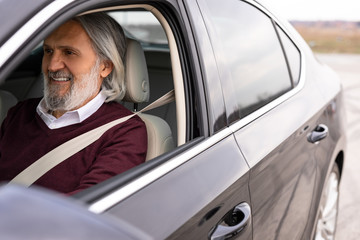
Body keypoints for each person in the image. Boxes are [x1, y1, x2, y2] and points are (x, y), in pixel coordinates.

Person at [0, 13, 147, 195]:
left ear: (105, 67)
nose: (52, 65)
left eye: (69, 52)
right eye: (48, 51)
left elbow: (84, 210)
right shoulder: (20, 113)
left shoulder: (124, 131)